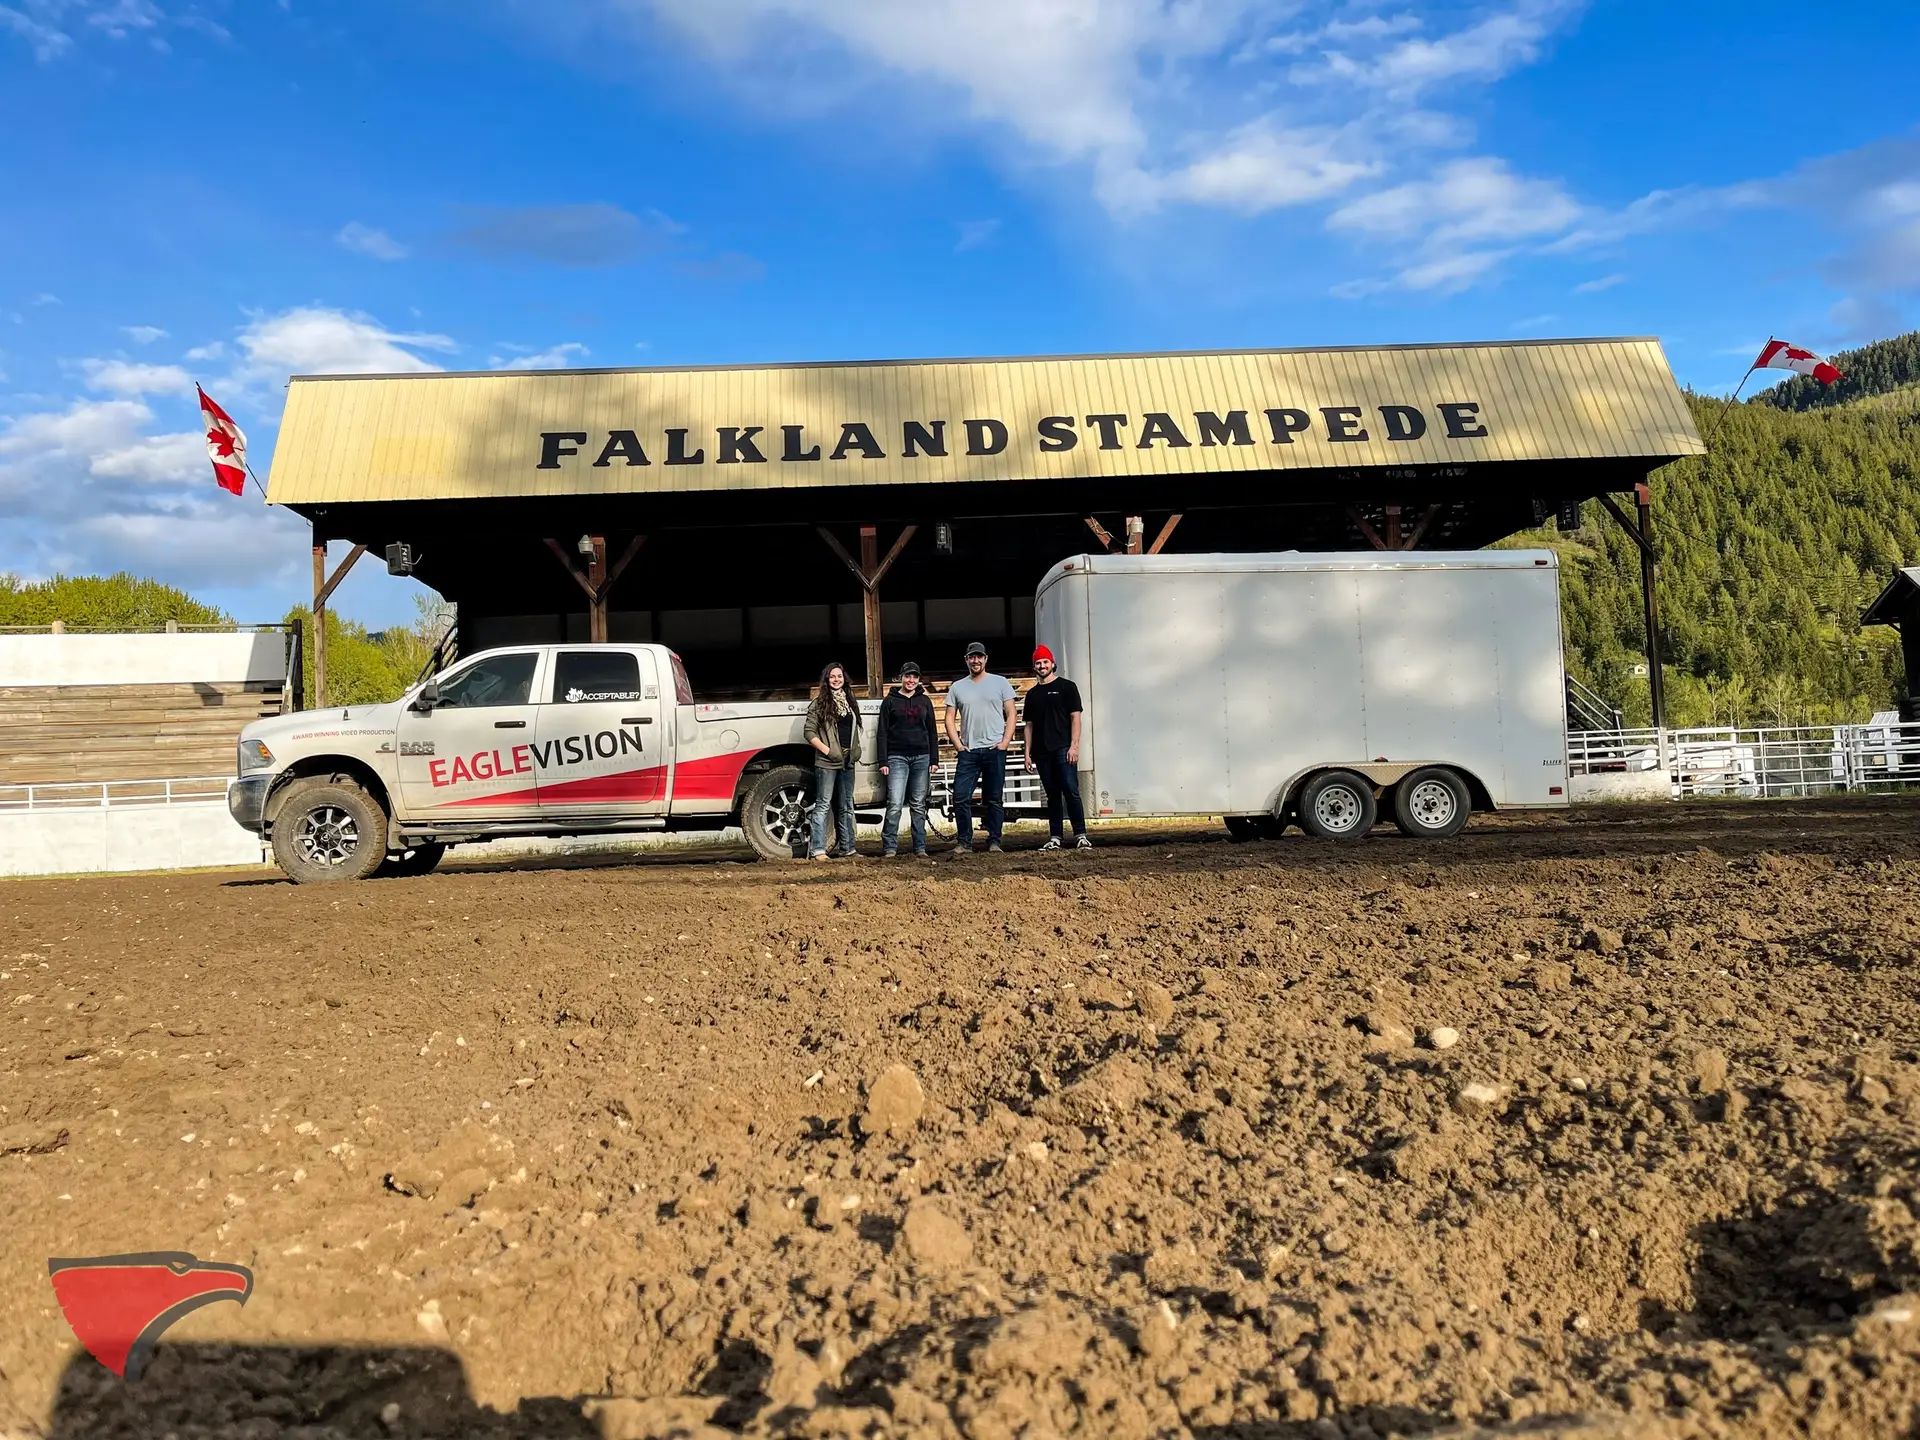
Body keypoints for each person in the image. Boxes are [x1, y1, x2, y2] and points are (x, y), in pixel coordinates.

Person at [943, 641, 1017, 857]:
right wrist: (959, 745)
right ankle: (964, 841)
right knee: (960, 796)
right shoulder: (957, 687)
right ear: (966, 660)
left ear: (985, 659)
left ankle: (994, 840)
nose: (975, 660)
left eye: (979, 657)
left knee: (994, 798)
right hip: (970, 751)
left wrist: (1005, 742)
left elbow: (1011, 713)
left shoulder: (1000, 682)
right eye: (971, 657)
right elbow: (949, 718)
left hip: (994, 749)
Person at [1022, 645, 1092, 851]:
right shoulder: (1032, 695)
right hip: (1042, 752)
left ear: (1052, 664)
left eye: (1045, 661)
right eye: (1038, 662)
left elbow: (1075, 718)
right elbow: (1029, 725)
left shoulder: (1067, 687)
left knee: (1071, 790)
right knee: (1052, 794)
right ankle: (1055, 837)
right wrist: (1027, 754)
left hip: (1063, 748)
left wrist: (1074, 746)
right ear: (1034, 666)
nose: (1042, 665)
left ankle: (1081, 834)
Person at [876, 661, 938, 857]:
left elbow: (932, 731)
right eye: (908, 676)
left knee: (918, 803)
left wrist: (934, 759)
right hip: (897, 757)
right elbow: (882, 732)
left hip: (922, 756)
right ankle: (890, 846)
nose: (911, 680)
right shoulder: (890, 701)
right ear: (901, 677)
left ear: (919, 680)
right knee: (894, 802)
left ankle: (920, 846)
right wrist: (883, 761)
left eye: (915, 677)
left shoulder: (925, 701)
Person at [803, 660, 861, 859]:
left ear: (844, 679)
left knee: (846, 806)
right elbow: (809, 732)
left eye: (839, 676)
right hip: (827, 763)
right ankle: (818, 850)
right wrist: (828, 751)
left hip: (847, 761)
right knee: (823, 805)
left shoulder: (850, 701)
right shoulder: (819, 703)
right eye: (832, 676)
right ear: (826, 680)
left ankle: (848, 848)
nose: (836, 680)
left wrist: (855, 751)